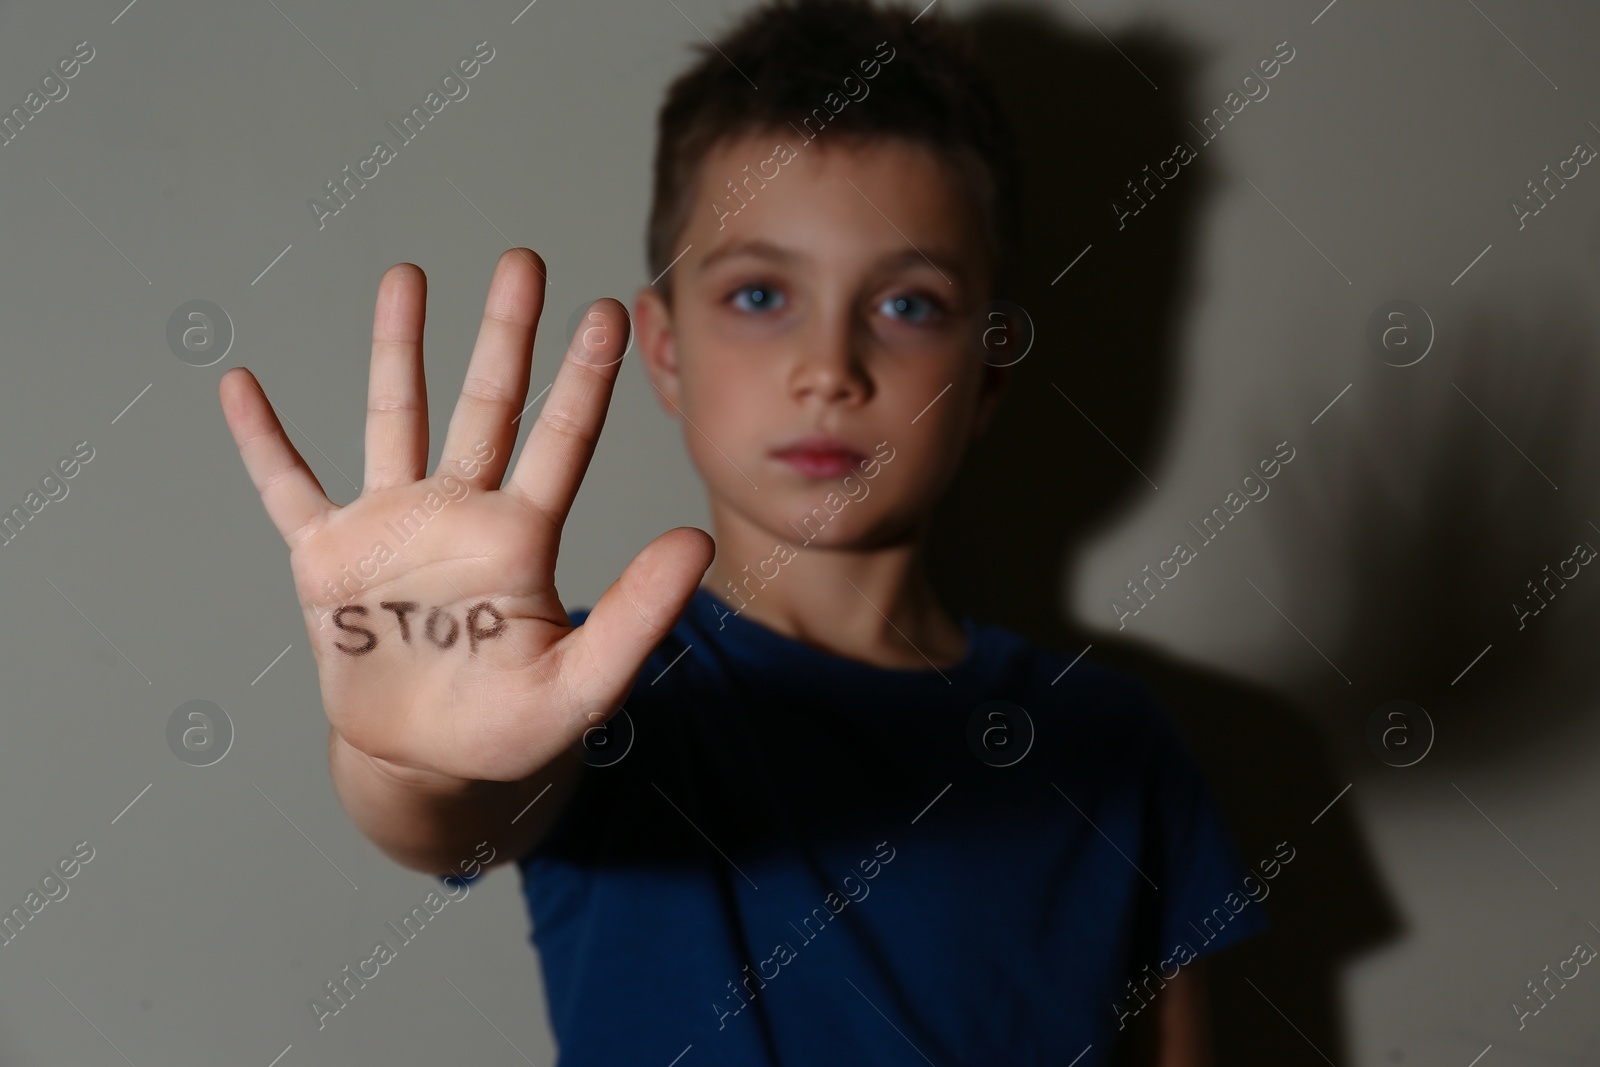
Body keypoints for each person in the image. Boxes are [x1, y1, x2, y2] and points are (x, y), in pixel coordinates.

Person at [218, 0, 1266, 1062]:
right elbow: (457, 802)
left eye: (907, 304)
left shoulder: (1118, 745)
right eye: (761, 293)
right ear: (665, 352)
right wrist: (410, 751)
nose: (829, 366)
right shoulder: (591, 695)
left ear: (988, 370)